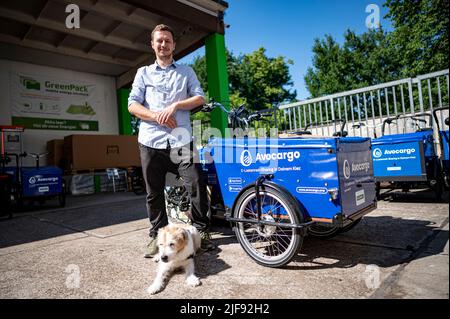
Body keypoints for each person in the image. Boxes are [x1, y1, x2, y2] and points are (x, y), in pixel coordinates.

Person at [127, 24, 215, 258]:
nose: (164, 44)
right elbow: (132, 105)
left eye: (168, 40)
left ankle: (201, 233)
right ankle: (158, 237)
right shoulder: (142, 73)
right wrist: (156, 115)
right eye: (160, 40)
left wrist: (176, 105)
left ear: (174, 45)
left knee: (196, 182)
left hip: (181, 138)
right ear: (153, 44)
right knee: (153, 192)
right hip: (150, 140)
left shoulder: (186, 71)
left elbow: (199, 97)